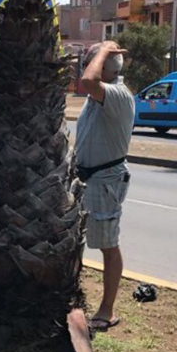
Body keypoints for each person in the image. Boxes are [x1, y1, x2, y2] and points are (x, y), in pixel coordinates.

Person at [75, 41, 135, 333]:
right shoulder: (99, 96)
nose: (87, 65)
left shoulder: (117, 94)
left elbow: (88, 80)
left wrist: (104, 50)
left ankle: (107, 310)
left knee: (108, 245)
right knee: (77, 242)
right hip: (87, 178)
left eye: (92, 60)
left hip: (106, 180)